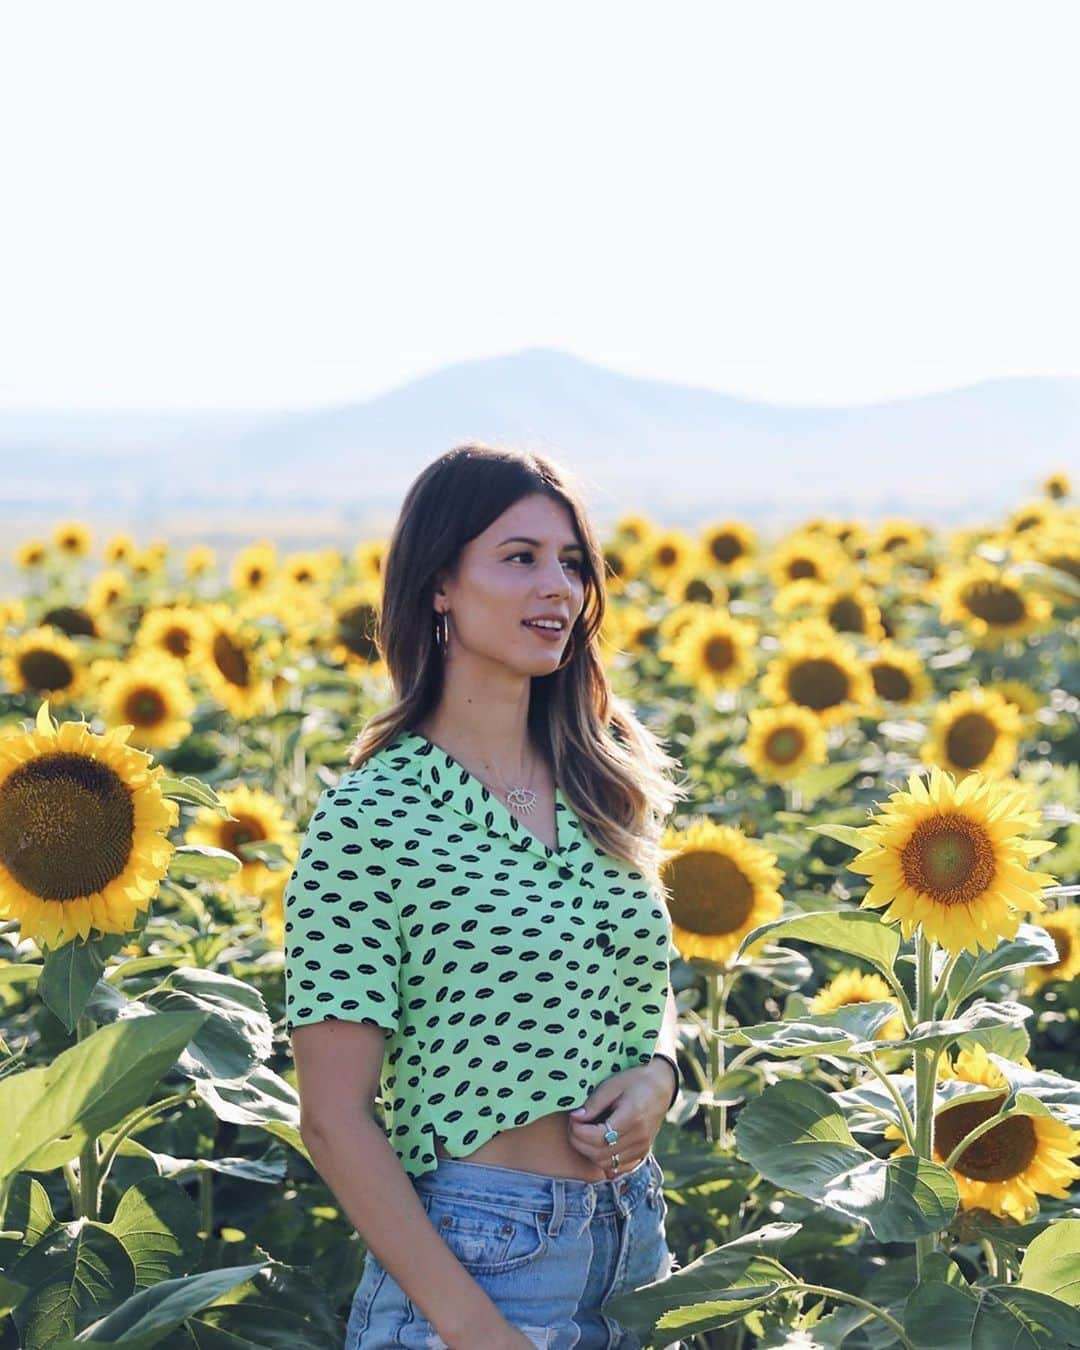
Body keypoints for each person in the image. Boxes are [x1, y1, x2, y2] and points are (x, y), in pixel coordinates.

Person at [284, 444, 687, 1349]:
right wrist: (472, 1329)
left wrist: (660, 1075)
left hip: (633, 1248)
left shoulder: (601, 781)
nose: (559, 588)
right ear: (438, 585)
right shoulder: (373, 817)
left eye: (572, 562)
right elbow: (333, 1116)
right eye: (520, 558)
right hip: (476, 1264)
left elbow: (647, 978)